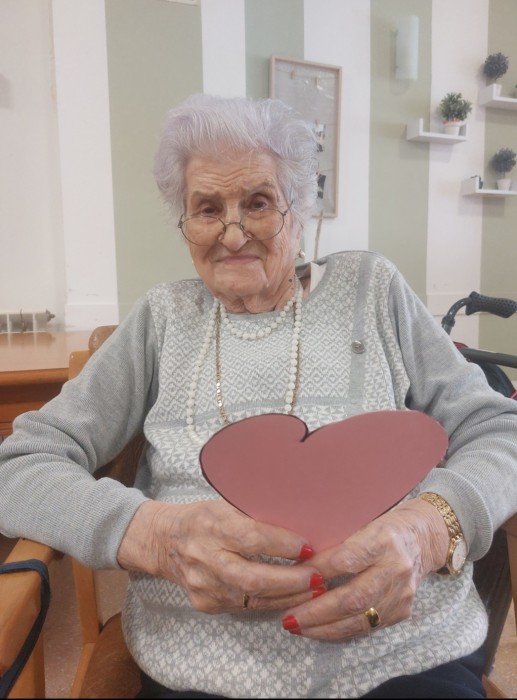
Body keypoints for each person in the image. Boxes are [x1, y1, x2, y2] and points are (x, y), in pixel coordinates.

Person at [1, 93, 517, 700]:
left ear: (301, 211)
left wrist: (430, 531)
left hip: (403, 655)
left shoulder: (373, 289)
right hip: (203, 664)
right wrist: (154, 535)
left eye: (259, 203)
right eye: (207, 209)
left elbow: (500, 430)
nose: (232, 232)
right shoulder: (163, 319)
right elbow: (20, 467)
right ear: (184, 224)